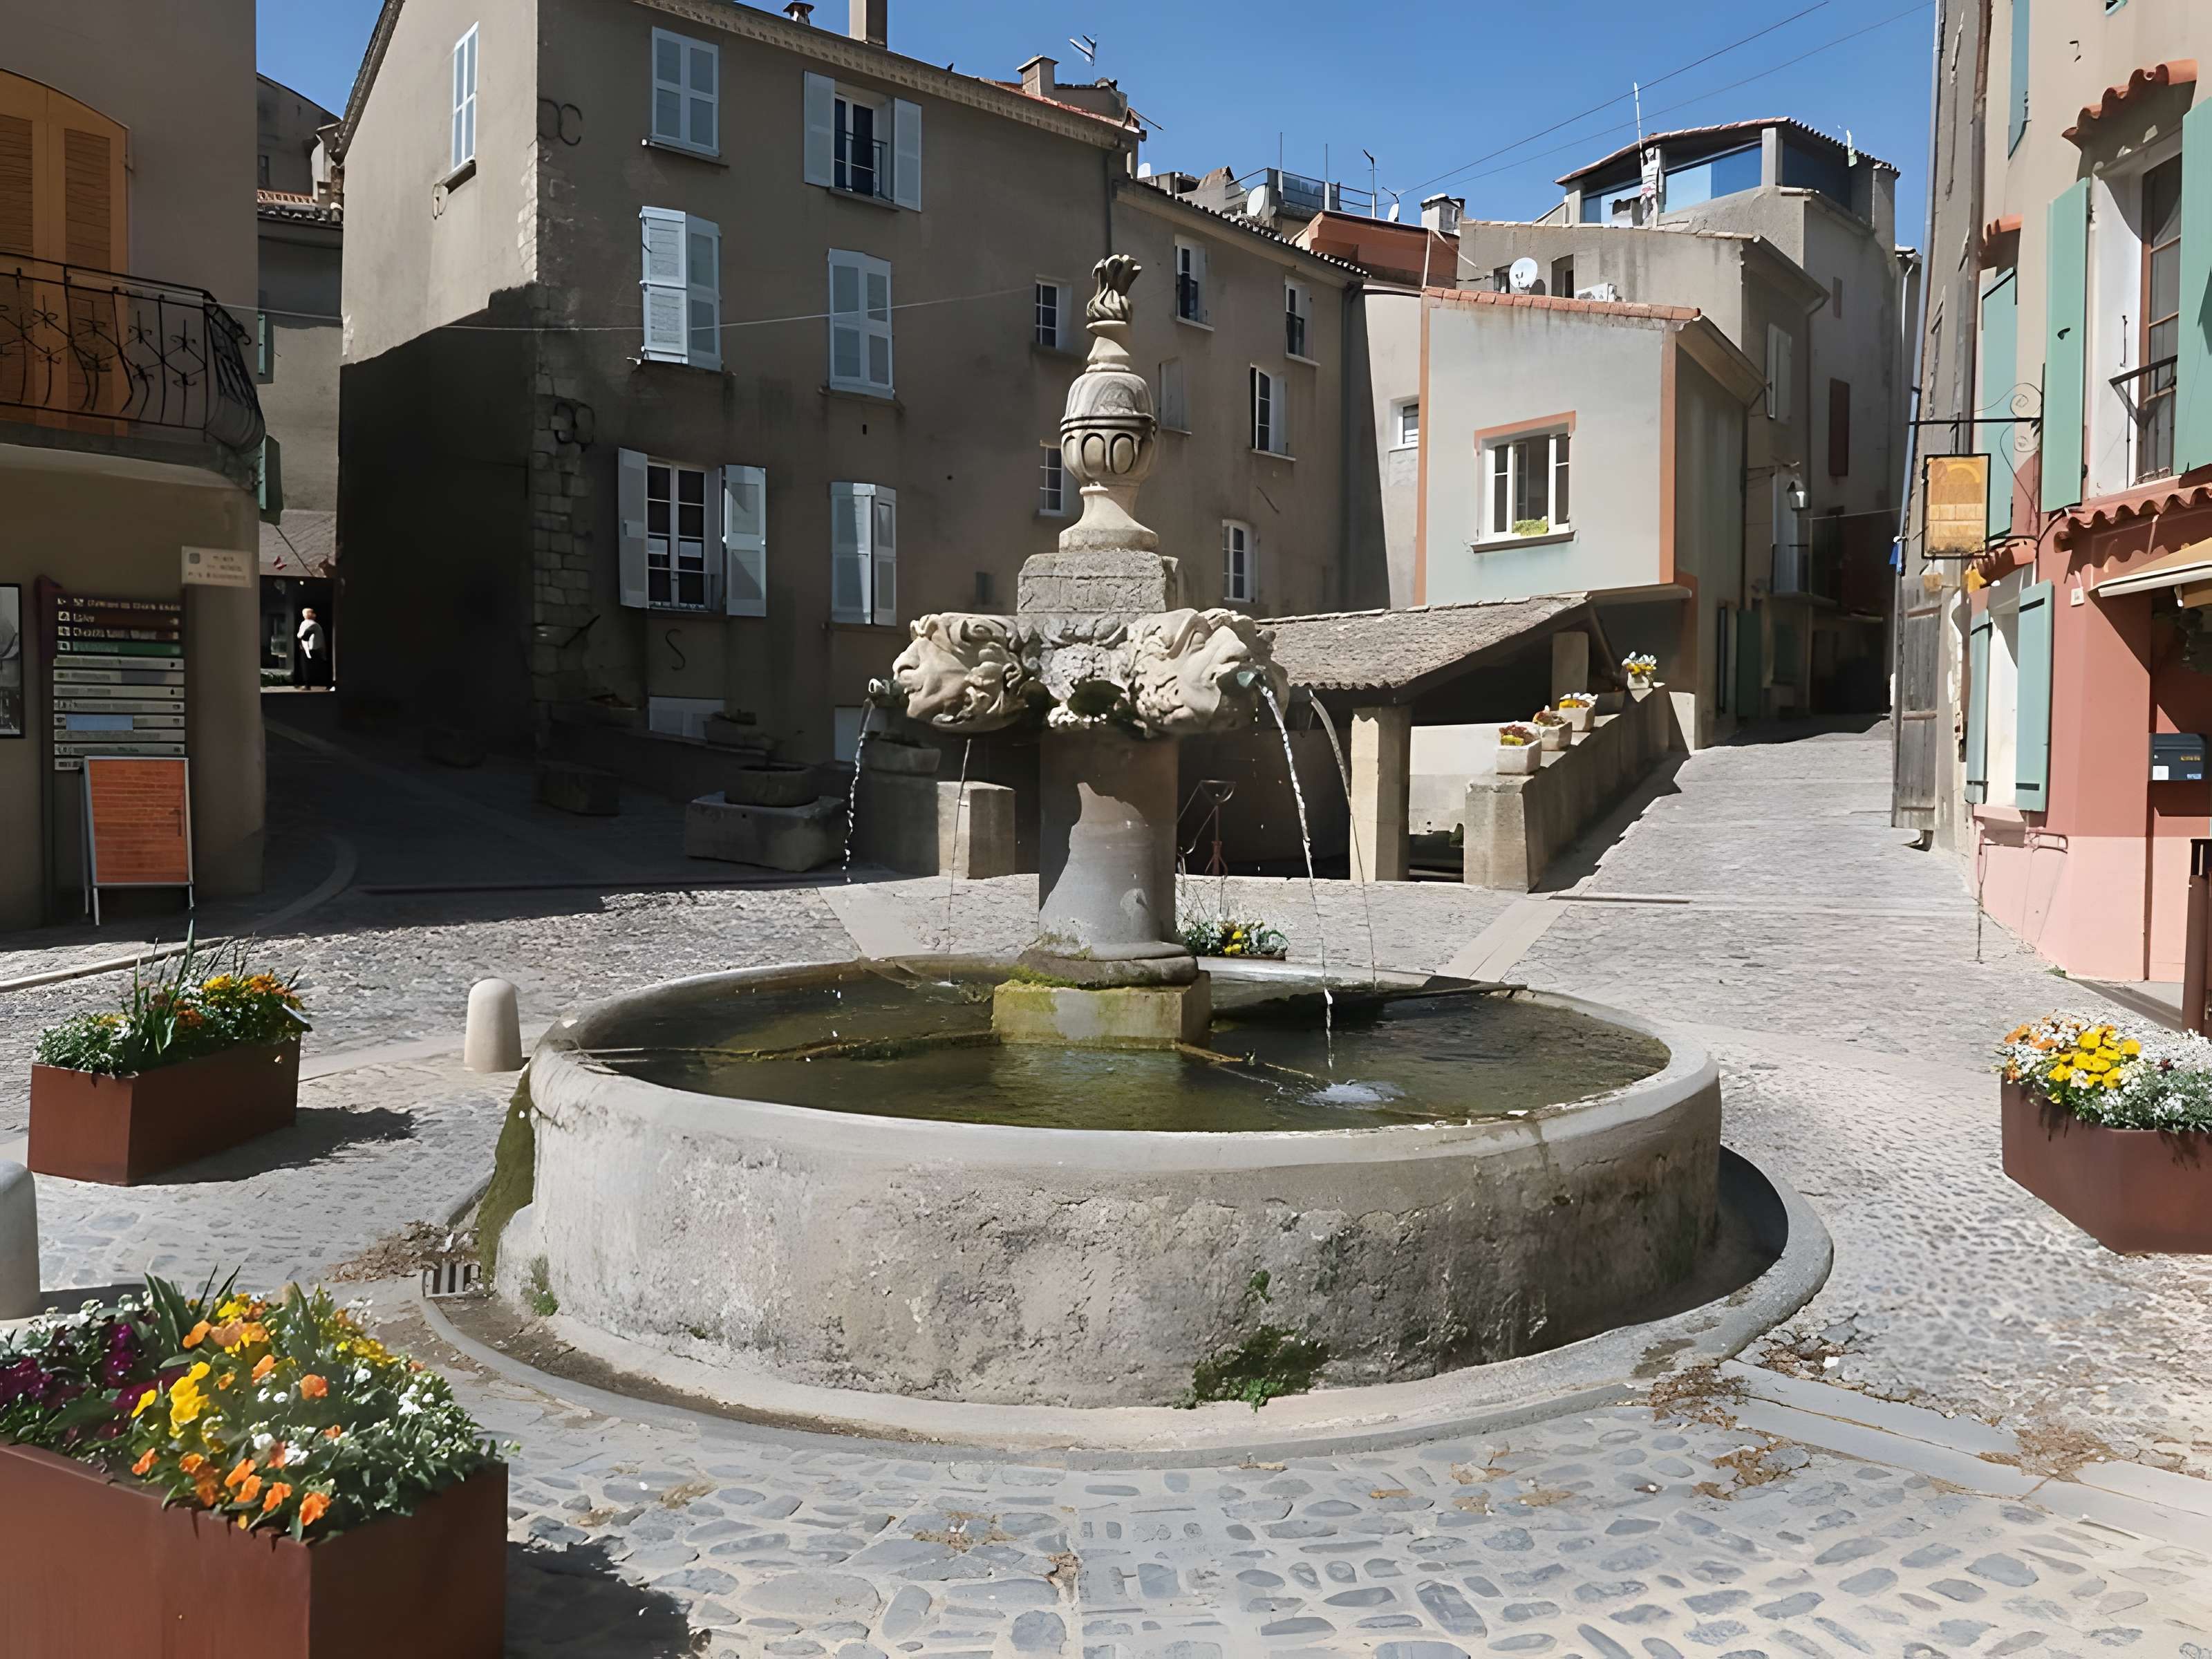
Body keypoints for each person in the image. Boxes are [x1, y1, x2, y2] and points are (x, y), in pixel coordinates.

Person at [294, 607, 326, 689]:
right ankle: (309, 684)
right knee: (312, 667)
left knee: (307, 667)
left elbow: (302, 635)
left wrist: (302, 639)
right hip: (315, 648)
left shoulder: (310, 624)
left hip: (310, 649)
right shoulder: (315, 624)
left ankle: (307, 685)